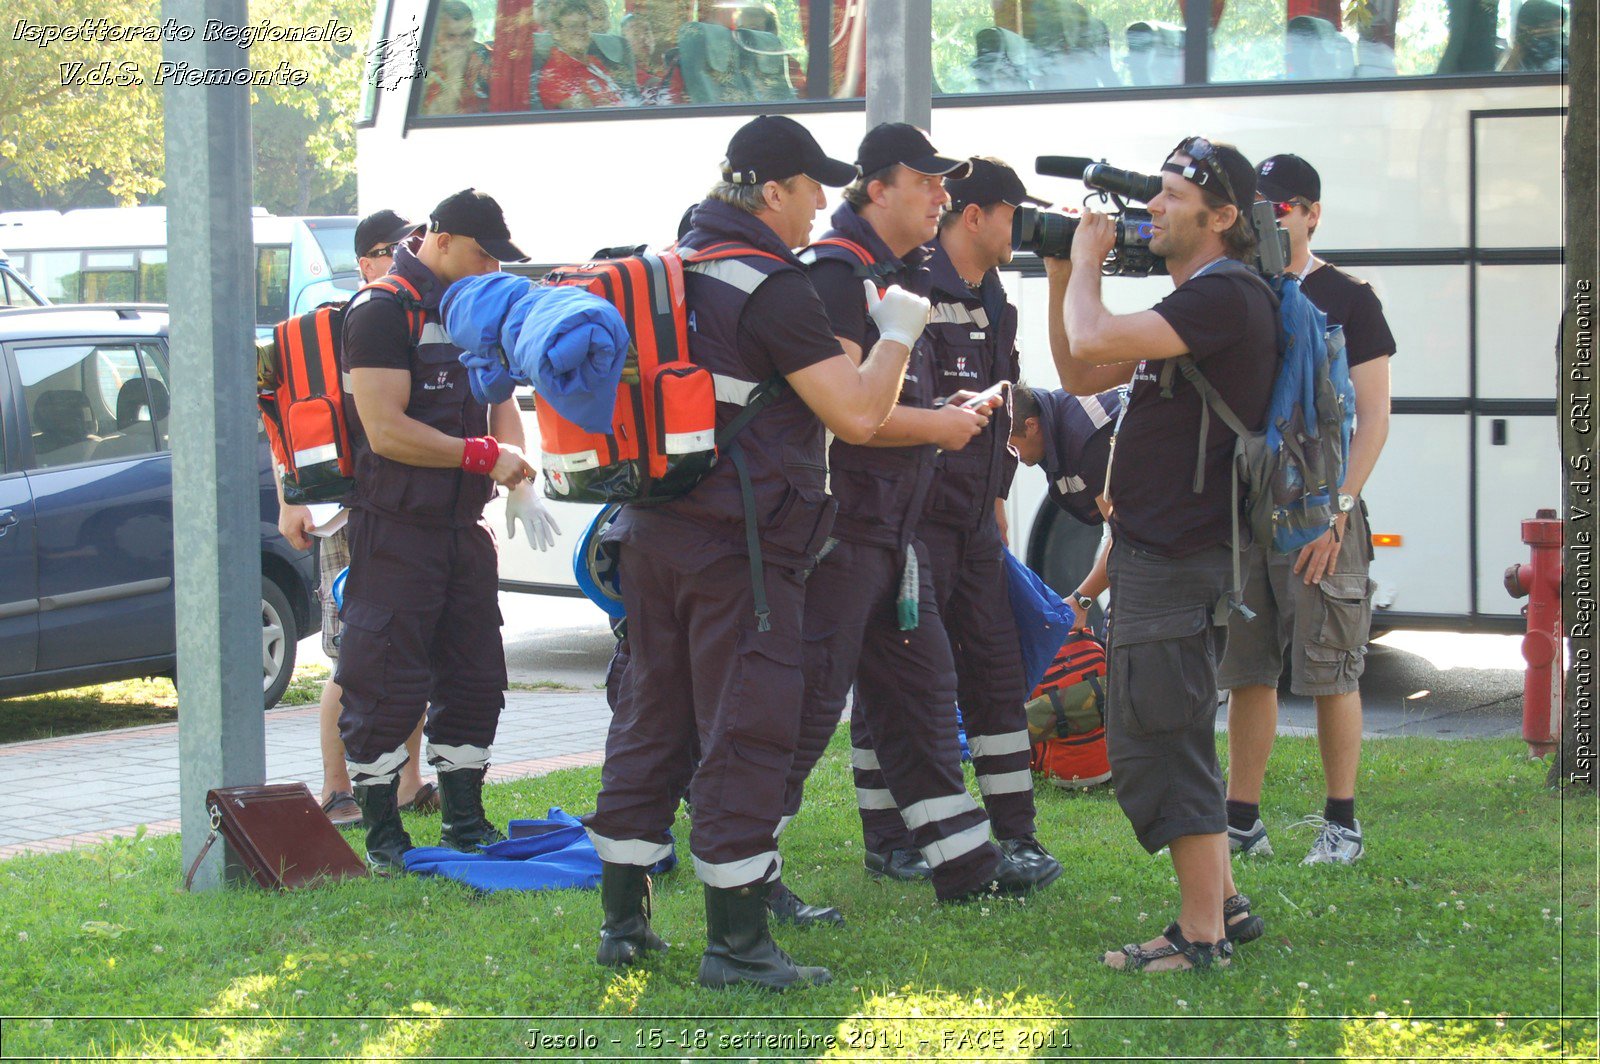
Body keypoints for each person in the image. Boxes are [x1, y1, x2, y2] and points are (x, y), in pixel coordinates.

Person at [582, 115, 926, 991]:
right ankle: (737, 945)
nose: (819, 208)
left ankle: (624, 926)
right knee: (748, 728)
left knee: (650, 721)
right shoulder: (771, 286)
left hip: (651, 534)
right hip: (742, 550)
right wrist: (899, 332)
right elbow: (856, 414)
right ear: (772, 191)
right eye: (812, 190)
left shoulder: (666, 269)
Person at [779, 126, 1060, 912]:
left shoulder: (890, 274)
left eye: (948, 185)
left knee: (929, 693)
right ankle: (745, 871)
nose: (942, 196)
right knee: (804, 713)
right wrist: (936, 425)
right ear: (878, 189)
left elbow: (891, 399)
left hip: (896, 530)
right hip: (842, 533)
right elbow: (848, 415)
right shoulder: (838, 275)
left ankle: (967, 862)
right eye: (928, 181)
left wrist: (945, 417)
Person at [1050, 136, 1275, 971]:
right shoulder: (1199, 300)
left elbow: (1095, 330)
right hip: (1163, 553)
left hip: (1181, 558)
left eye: (1174, 197)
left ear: (1221, 217)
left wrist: (1086, 259)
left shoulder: (1224, 297)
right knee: (1169, 728)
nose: (1154, 207)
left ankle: (1201, 936)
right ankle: (1226, 905)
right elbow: (1079, 367)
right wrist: (1062, 270)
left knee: (1160, 736)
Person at [855, 156, 1059, 885]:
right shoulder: (911, 284)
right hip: (914, 521)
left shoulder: (993, 294)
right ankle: (890, 837)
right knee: (908, 686)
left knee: (996, 676)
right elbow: (889, 411)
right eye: (1013, 214)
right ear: (976, 216)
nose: (1022, 229)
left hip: (973, 521)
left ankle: (1019, 836)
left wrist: (998, 501)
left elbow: (1004, 404)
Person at [337, 189, 536, 872]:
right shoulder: (380, 311)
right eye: (483, 255)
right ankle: (385, 834)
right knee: (384, 678)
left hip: (462, 528)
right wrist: (482, 455)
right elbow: (386, 430)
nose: (491, 270)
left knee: (478, 676)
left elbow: (499, 395)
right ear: (442, 240)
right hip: (395, 529)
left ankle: (464, 820)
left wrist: (516, 470)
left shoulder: (474, 305)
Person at [1219, 153, 1396, 865]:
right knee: (1247, 670)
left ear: (1311, 212)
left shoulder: (1351, 297)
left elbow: (1375, 419)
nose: (1271, 218)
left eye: (1282, 207)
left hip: (1323, 507)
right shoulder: (1238, 291)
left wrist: (1338, 512)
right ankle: (1240, 821)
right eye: (1260, 207)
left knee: (1330, 668)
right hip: (1247, 508)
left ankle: (1341, 824)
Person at [276, 209, 437, 827]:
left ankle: (408, 782)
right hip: (345, 516)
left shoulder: (407, 316)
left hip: (405, 511)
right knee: (354, 659)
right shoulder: (328, 332)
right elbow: (282, 421)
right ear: (366, 260)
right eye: (392, 248)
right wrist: (292, 496)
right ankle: (337, 787)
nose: (406, 256)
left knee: (414, 651)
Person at [1007, 380, 1122, 616]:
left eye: (1011, 447)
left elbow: (1123, 533)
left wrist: (1081, 600)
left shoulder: (1085, 436)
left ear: (1031, 425)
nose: (1012, 457)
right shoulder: (1059, 423)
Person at [538, 0, 627, 109]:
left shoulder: (594, 62)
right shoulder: (555, 73)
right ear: (556, 32)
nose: (581, 31)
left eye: (585, 25)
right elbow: (588, 118)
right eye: (573, 26)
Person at [422, 0, 493, 115]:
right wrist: (454, 74)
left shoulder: (485, 58)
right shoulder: (421, 67)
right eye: (450, 36)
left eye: (466, 35)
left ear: (473, 33)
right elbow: (434, 118)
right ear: (435, 37)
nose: (459, 43)